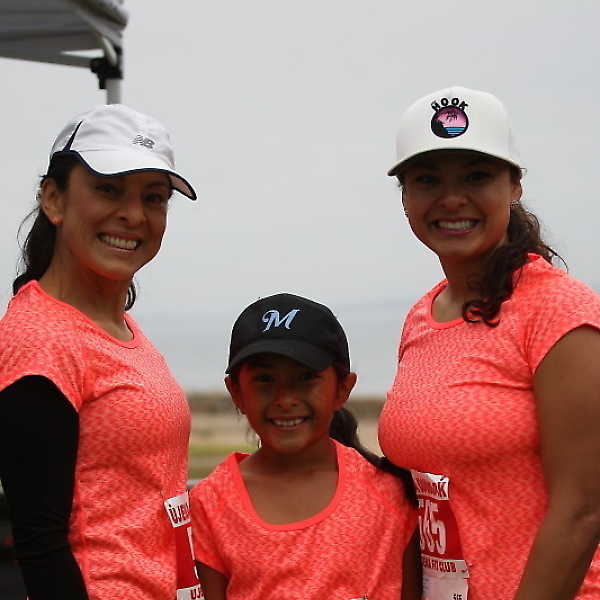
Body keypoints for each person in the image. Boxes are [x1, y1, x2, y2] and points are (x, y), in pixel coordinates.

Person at [378, 85, 600, 600]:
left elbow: (584, 510)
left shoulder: (559, 309)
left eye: (476, 176)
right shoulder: (421, 316)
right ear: (405, 196)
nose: (452, 199)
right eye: (427, 179)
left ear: (515, 185)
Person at [0, 104, 201, 600]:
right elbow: (40, 543)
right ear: (54, 199)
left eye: (153, 197)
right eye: (108, 189)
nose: (134, 214)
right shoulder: (42, 339)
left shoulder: (118, 326)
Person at [189, 293, 421, 600]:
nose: (286, 399)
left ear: (343, 388)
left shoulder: (389, 493)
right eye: (265, 378)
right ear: (236, 392)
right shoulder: (210, 504)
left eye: (306, 377)